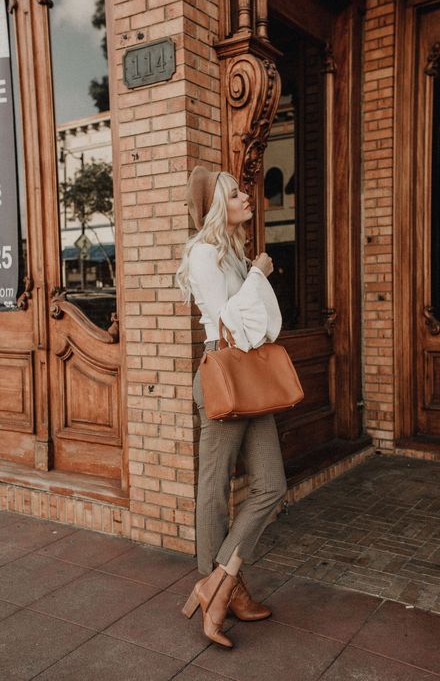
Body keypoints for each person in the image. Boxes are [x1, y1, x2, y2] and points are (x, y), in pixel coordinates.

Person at [176, 166, 287, 648]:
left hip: (250, 375)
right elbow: (227, 320)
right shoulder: (203, 254)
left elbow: (258, 325)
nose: (246, 196)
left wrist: (253, 273)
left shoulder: (236, 254)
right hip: (222, 375)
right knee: (214, 487)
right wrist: (259, 276)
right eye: (235, 193)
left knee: (271, 485)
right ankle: (224, 588)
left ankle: (216, 584)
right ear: (218, 205)